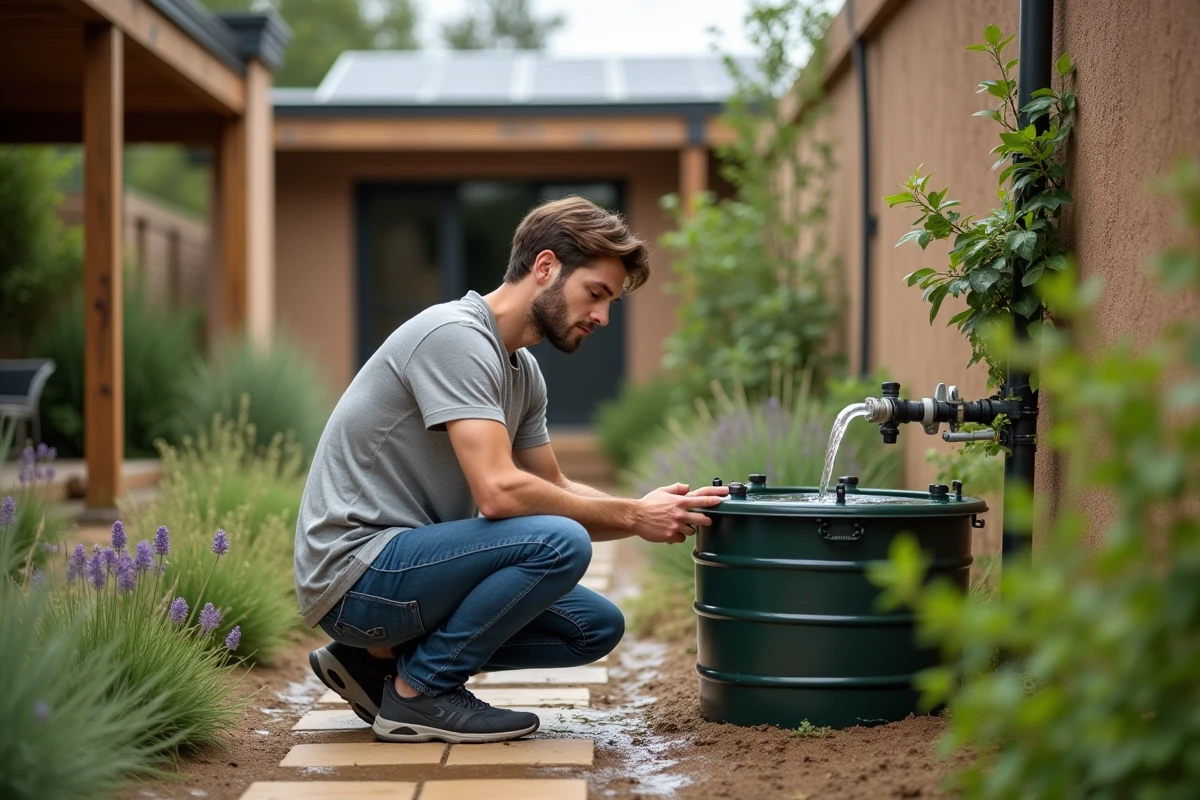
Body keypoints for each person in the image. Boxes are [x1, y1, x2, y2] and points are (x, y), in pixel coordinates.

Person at [295, 196, 728, 745]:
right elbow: (499, 493)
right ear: (545, 267)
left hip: (400, 573)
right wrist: (633, 515)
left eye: (611, 303)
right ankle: (420, 693)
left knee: (593, 627)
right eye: (596, 294)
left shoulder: (521, 372)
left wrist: (649, 513)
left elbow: (554, 489)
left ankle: (374, 665)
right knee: (560, 543)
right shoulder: (454, 336)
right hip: (357, 573)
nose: (602, 317)